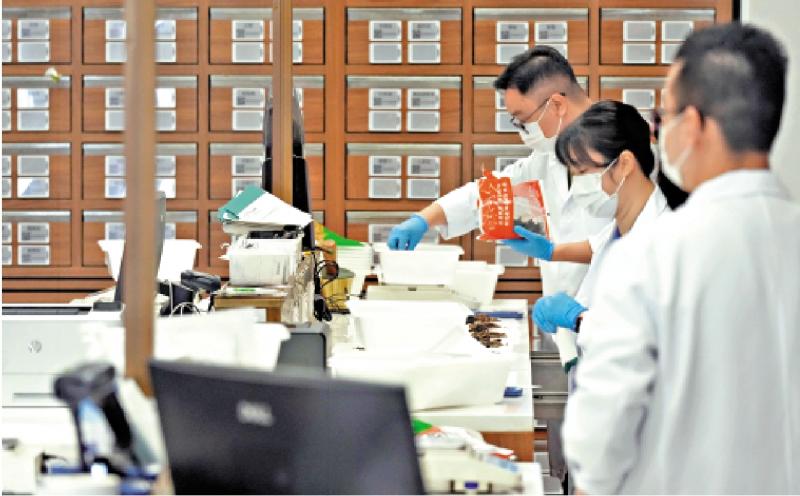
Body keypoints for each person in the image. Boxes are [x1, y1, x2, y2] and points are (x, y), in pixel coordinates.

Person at [562, 22, 800, 493]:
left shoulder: (652, 256)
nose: (659, 133)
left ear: (692, 126)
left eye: (662, 117)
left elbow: (598, 450)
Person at [387, 46, 610, 299]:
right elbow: (491, 193)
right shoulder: (550, 155)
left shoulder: (626, 149)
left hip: (613, 314)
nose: (522, 130)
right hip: (563, 313)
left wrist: (557, 260)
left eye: (523, 119)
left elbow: (633, 246)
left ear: (557, 105)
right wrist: (424, 219)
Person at [505, 100, 684, 372]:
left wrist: (578, 319)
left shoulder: (665, 242)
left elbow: (649, 344)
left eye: (583, 172)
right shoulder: (625, 221)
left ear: (624, 164)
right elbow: (598, 247)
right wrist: (550, 251)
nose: (577, 186)